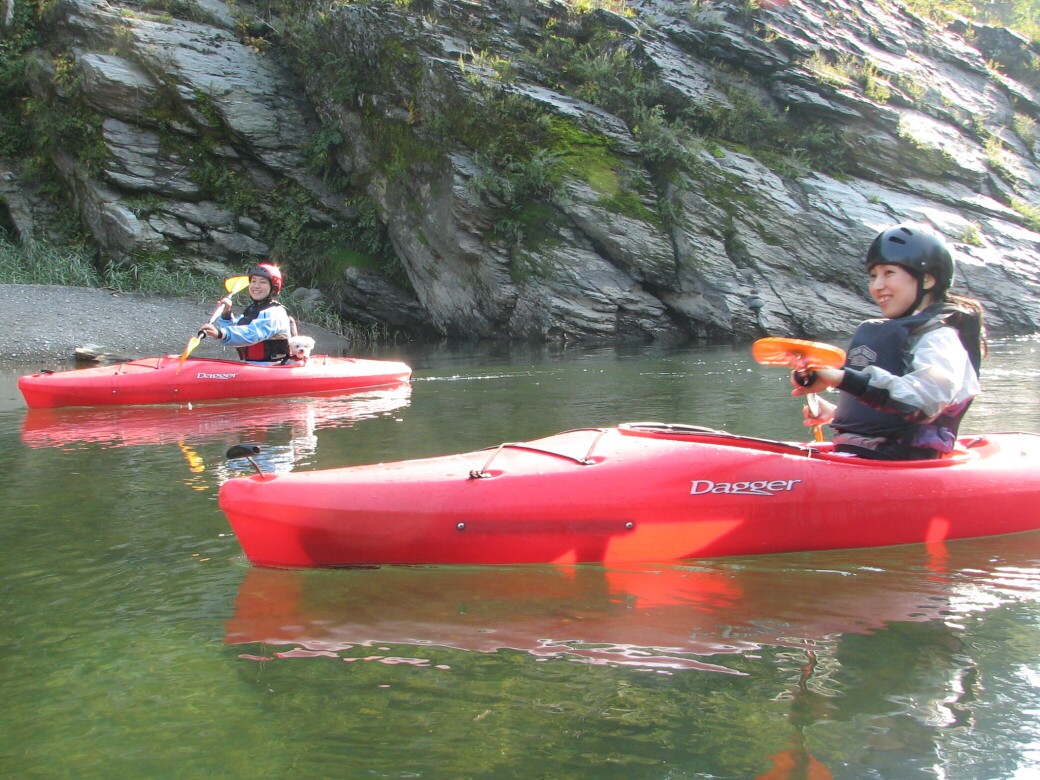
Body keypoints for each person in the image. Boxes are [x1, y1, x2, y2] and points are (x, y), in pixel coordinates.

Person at [790, 222, 986, 460]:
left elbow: (923, 400)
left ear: (927, 279)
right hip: (864, 458)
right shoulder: (895, 332)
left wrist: (842, 378)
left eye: (888, 273)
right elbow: (887, 414)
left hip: (905, 463)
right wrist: (836, 413)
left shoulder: (940, 338)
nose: (877, 286)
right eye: (873, 276)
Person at [199, 263, 293, 363]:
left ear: (274, 288)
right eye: (253, 281)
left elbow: (252, 333)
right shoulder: (252, 310)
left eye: (262, 282)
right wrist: (226, 314)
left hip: (273, 367)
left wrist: (221, 333)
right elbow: (236, 331)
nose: (256, 286)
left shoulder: (275, 312)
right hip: (252, 365)